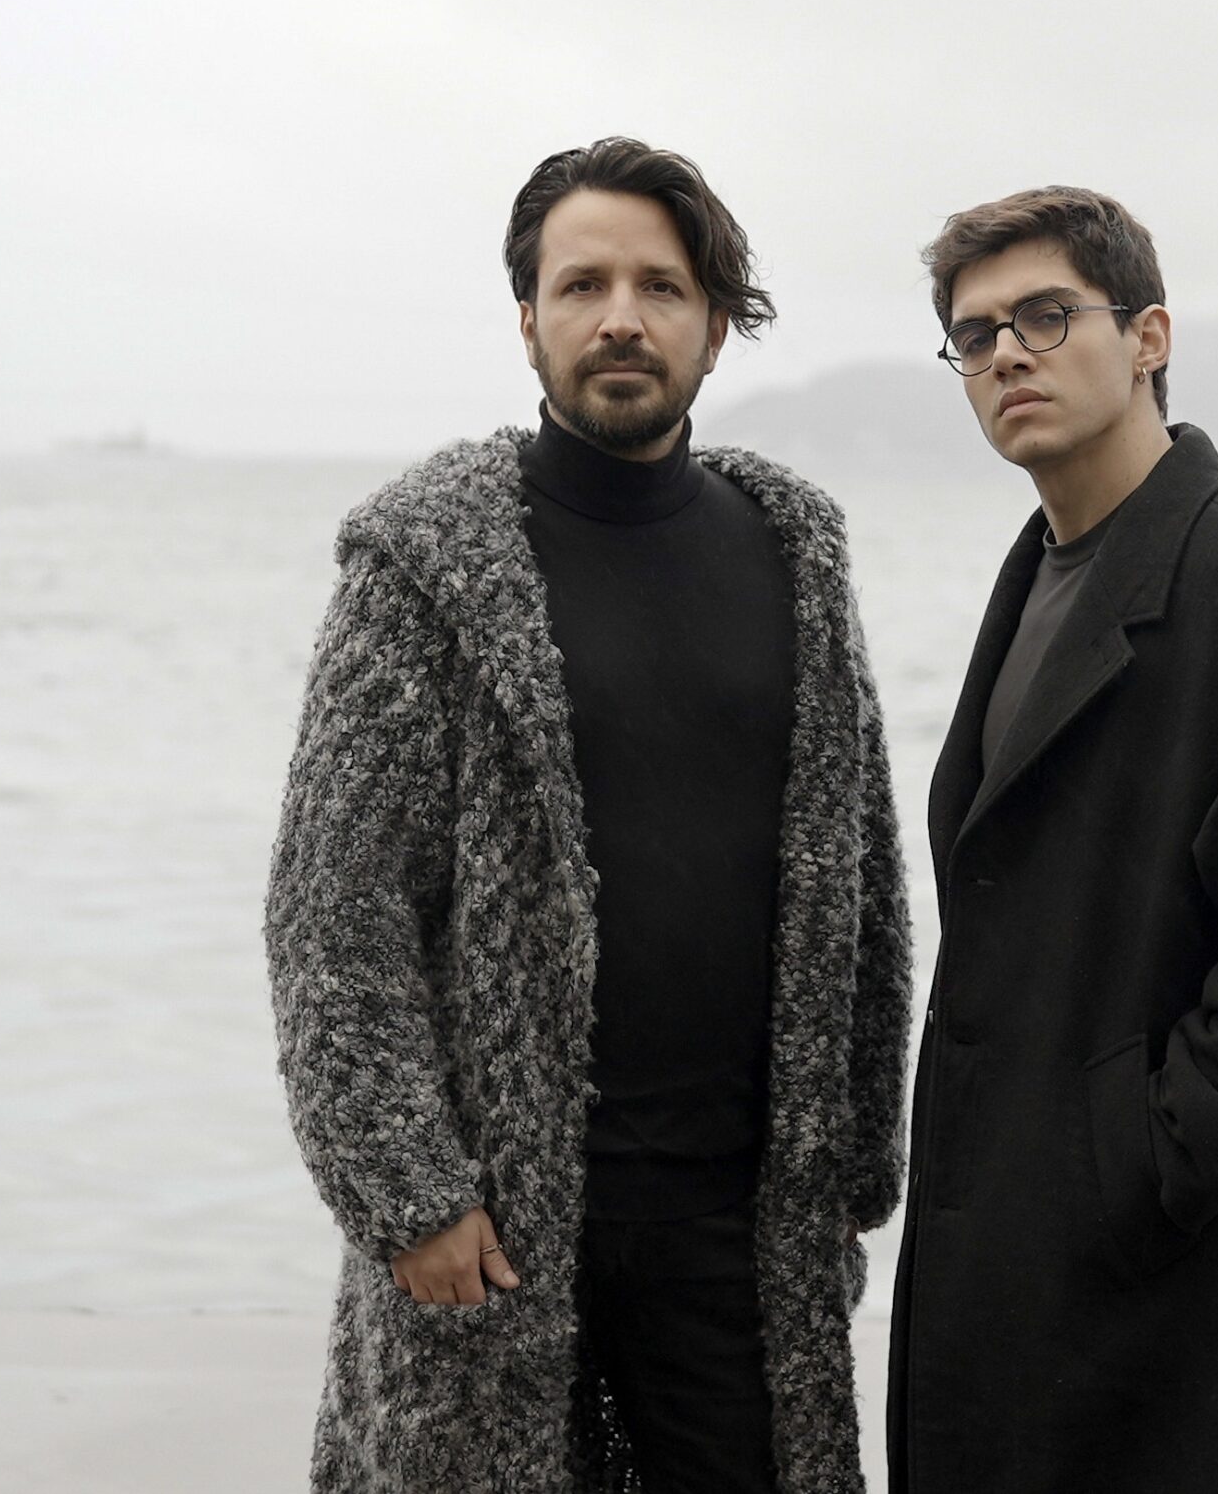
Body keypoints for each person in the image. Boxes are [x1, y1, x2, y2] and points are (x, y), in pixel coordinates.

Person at [264, 137, 912, 1494]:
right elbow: (335, 910)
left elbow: (859, 877)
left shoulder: (794, 551)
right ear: (529, 321)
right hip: (495, 1222)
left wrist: (855, 1159)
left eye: (660, 287)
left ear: (715, 327)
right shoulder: (426, 563)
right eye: (583, 285)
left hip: (737, 1222)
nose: (621, 317)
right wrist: (409, 1191)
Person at [886, 186, 1218, 1492]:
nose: (1007, 354)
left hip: (1192, 1310)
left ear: (1148, 337)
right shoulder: (1041, 572)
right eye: (975, 334)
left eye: (1046, 316)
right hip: (1029, 1282)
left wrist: (1135, 1165)